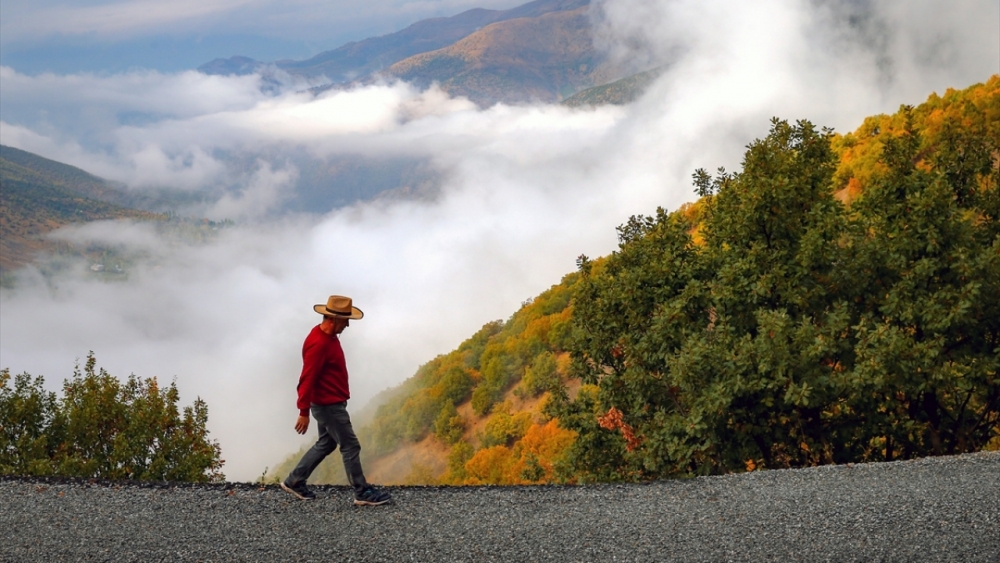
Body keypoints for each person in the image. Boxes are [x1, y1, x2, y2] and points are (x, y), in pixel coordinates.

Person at [281, 295, 391, 506]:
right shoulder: (319, 344)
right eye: (345, 320)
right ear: (333, 319)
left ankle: (295, 480)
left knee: (326, 443)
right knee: (350, 445)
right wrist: (303, 411)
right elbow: (306, 379)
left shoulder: (327, 337)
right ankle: (362, 492)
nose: (348, 324)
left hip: (329, 403)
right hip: (328, 406)